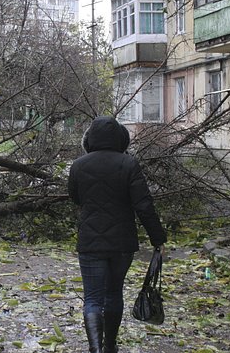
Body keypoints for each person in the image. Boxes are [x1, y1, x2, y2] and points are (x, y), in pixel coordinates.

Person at [68, 116, 167, 353]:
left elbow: (75, 198)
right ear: (121, 138)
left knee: (92, 298)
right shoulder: (129, 164)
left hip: (90, 242)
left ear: (90, 139)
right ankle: (110, 346)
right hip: (122, 243)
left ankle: (95, 349)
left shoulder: (79, 165)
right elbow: (144, 205)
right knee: (114, 293)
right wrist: (158, 239)